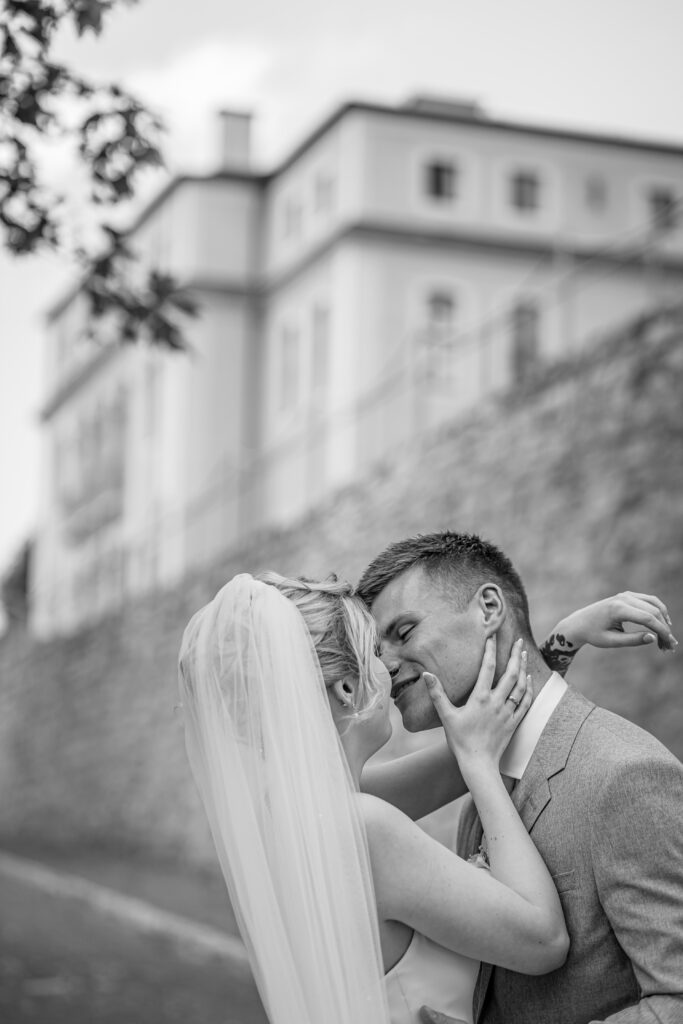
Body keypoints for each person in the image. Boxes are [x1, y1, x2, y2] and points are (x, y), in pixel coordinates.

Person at [178, 569, 674, 1024]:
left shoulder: (294, 813)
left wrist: (561, 641)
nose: (391, 667)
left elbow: (472, 743)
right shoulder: (362, 828)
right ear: (348, 689)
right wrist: (481, 766)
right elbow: (543, 940)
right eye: (376, 651)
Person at [357, 531, 683, 1024]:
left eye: (402, 632)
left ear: (489, 608)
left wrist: (561, 640)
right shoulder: (478, 786)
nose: (382, 666)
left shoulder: (626, 776)